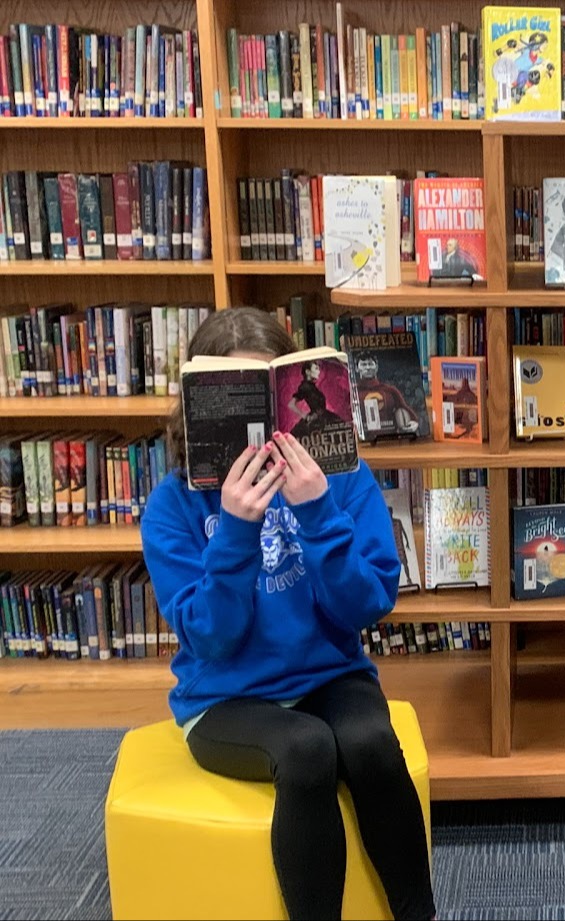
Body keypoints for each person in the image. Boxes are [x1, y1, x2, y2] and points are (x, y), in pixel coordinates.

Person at [140, 307, 436, 921]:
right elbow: (211, 640)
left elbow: (367, 605)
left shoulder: (341, 478)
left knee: (371, 743)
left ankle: (419, 913)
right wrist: (236, 534)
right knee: (306, 753)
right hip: (223, 698)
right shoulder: (173, 507)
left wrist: (321, 515)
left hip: (329, 674)